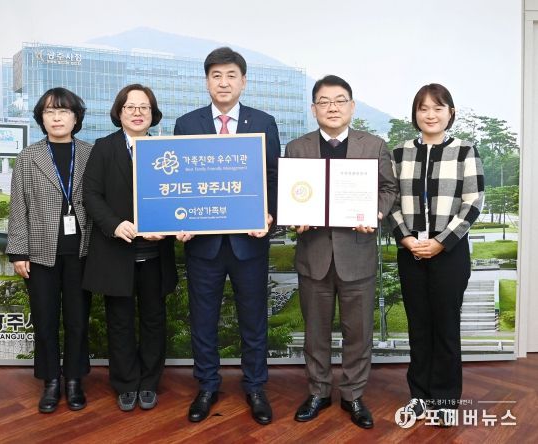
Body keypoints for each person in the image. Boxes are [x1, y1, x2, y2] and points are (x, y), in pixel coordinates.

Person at [173, 47, 280, 425]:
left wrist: (270, 215)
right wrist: (177, 218)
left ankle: (255, 386)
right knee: (203, 320)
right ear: (207, 82)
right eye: (216, 75)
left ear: (243, 82)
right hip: (203, 244)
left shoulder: (263, 122)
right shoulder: (187, 124)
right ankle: (207, 385)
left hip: (249, 242)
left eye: (231, 75)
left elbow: (273, 177)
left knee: (254, 319)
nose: (223, 82)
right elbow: (179, 179)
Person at [285, 75, 397, 429]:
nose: (332, 107)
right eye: (324, 101)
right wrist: (294, 217)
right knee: (315, 332)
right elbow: (289, 195)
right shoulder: (297, 148)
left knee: (358, 333)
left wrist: (375, 214)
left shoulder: (374, 145)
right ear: (313, 108)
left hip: (357, 254)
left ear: (352, 106)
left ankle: (353, 394)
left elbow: (388, 188)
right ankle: (318, 392)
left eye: (339, 100)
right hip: (314, 255)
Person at [389, 83, 484, 426]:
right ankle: (419, 396)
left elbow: (473, 202)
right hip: (411, 251)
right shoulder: (399, 153)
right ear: (415, 114)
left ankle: (444, 400)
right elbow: (391, 200)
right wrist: (405, 238)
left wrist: (442, 241)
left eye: (438, 108)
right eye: (423, 108)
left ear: (450, 112)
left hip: (450, 253)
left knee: (445, 326)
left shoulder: (465, 151)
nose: (430, 114)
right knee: (418, 325)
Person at [82, 84, 177, 412]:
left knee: (154, 319)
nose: (138, 113)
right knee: (119, 321)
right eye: (130, 107)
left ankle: (149, 382)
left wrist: (166, 227)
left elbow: (177, 194)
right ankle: (125, 383)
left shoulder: (165, 149)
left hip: (155, 254)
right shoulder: (103, 148)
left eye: (144, 107)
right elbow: (91, 195)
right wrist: (114, 224)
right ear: (119, 112)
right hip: (116, 251)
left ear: (153, 113)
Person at [6, 87, 92, 413]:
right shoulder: (28, 156)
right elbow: (18, 206)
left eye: (63, 111)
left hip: (82, 251)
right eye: (49, 112)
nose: (57, 117)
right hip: (41, 252)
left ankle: (74, 380)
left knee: (77, 320)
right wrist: (19, 252)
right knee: (45, 320)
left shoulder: (90, 153)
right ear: (41, 118)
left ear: (76, 118)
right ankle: (51, 381)